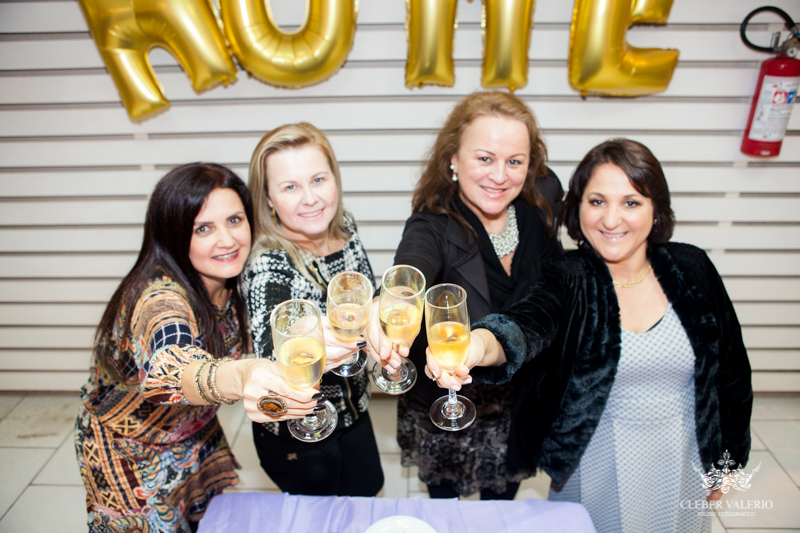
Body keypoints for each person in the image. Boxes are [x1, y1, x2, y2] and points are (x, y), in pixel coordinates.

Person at [428, 139, 753, 532]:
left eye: (631, 202)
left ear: (656, 209)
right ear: (577, 207)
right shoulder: (567, 277)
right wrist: (478, 344)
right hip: (595, 465)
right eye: (597, 201)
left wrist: (729, 459)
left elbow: (732, 374)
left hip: (683, 458)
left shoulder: (693, 267)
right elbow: (525, 324)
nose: (611, 220)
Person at [75, 163, 326, 533]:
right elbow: (171, 366)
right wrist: (241, 374)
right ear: (173, 234)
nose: (227, 240)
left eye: (234, 220)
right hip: (130, 453)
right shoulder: (158, 298)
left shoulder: (231, 279)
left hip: (193, 433)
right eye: (203, 228)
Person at [387, 91, 564, 499]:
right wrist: (394, 300)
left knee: (500, 508)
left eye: (515, 161)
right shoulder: (432, 224)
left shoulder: (539, 206)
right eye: (485, 158)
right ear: (453, 158)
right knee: (446, 507)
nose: (500, 176)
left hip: (518, 402)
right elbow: (410, 270)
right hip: (450, 397)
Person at [242, 122, 384, 497]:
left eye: (318, 179)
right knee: (319, 514)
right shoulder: (268, 264)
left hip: (354, 408)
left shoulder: (345, 228)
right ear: (268, 199)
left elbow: (364, 295)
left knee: (369, 489)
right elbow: (271, 351)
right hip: (299, 430)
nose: (310, 199)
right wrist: (313, 336)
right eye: (290, 187)